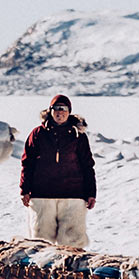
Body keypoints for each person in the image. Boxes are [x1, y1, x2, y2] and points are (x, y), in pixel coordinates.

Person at [19, 94, 96, 249]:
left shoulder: (78, 136)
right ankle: (39, 272)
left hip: (73, 195)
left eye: (64, 109)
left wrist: (91, 193)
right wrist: (24, 189)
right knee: (40, 242)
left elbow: (87, 165)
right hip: (42, 195)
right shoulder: (38, 134)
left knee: (72, 242)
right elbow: (27, 163)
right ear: (50, 111)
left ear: (69, 112)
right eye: (56, 109)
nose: (60, 112)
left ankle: (71, 271)